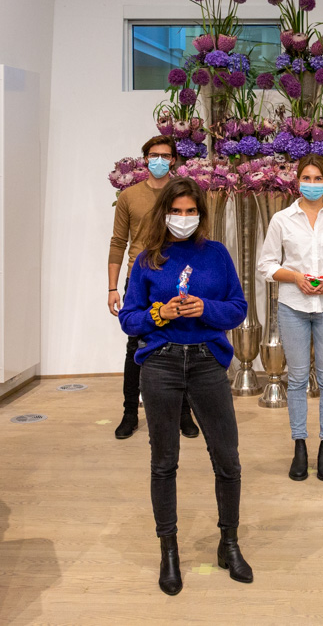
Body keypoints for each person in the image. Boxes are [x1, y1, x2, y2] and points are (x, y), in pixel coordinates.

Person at [119, 176, 251, 595]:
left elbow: (238, 308)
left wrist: (204, 308)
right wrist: (160, 314)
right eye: (176, 211)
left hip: (208, 363)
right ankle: (169, 550)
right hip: (161, 364)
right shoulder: (148, 260)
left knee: (227, 458)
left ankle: (229, 543)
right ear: (164, 214)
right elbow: (129, 319)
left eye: (190, 211)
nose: (183, 218)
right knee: (164, 462)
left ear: (200, 214)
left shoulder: (217, 255)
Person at [257, 154, 323, 481]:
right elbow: (266, 264)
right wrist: (295, 277)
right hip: (292, 306)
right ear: (297, 181)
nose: (312, 184)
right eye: (307, 178)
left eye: (318, 179)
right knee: (297, 379)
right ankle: (300, 445)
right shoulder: (282, 219)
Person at [107, 135, 198, 440]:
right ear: (145, 158)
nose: (159, 160)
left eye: (166, 155)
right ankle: (130, 413)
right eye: (154, 155)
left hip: (176, 277)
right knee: (136, 345)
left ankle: (184, 413)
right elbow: (118, 242)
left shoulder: (182, 194)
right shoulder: (129, 196)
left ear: (174, 160)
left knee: (181, 341)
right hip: (139, 277)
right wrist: (112, 288)